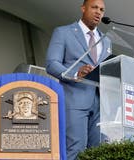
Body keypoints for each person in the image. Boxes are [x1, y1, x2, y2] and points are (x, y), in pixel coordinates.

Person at [46, 0, 111, 159]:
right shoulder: (64, 32)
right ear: (83, 8)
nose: (98, 12)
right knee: (76, 148)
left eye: (102, 10)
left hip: (101, 103)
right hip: (74, 99)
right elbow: (51, 64)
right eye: (94, 7)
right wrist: (75, 74)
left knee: (99, 151)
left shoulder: (107, 40)